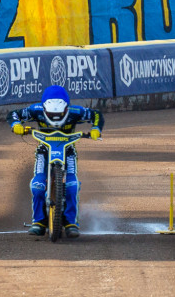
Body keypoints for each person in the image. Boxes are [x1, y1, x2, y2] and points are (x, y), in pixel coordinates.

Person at [8, 85, 103, 238]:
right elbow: (13, 114)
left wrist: (96, 128)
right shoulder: (36, 110)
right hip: (44, 151)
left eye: (59, 114)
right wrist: (16, 125)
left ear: (66, 108)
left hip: (68, 151)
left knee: (72, 185)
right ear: (44, 109)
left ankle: (71, 222)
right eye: (51, 114)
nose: (55, 118)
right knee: (37, 185)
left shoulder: (76, 111)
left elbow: (96, 114)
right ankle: (38, 221)